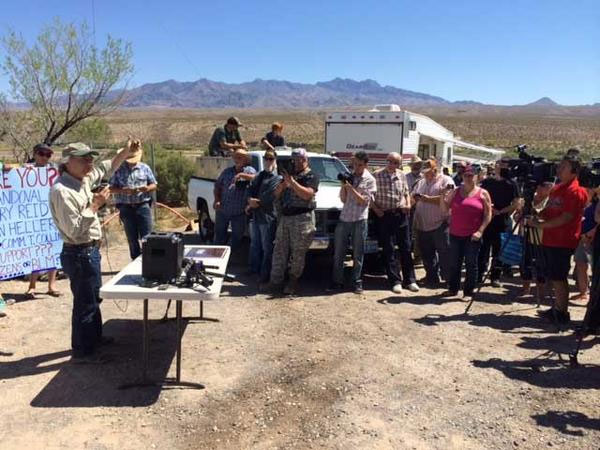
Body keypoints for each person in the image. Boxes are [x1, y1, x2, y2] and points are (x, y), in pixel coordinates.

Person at [49, 141, 133, 363]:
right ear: (67, 163)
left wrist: (125, 151)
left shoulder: (82, 180)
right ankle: (84, 351)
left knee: (93, 299)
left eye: (90, 159)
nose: (89, 163)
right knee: (85, 304)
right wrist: (95, 205)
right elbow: (73, 230)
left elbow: (107, 167)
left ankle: (94, 340)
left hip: (88, 252)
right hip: (78, 252)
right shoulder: (62, 191)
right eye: (84, 159)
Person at [528, 154, 588, 326]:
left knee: (559, 277)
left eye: (564, 167)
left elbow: (567, 217)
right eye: (559, 166)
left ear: (574, 171)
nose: (559, 170)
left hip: (563, 241)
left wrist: (541, 226)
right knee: (553, 276)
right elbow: (548, 210)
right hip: (550, 239)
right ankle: (556, 308)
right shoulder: (557, 188)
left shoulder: (576, 191)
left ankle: (562, 312)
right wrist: (536, 213)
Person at [269, 148, 319, 295]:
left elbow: (308, 195)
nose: (297, 162)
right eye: (294, 160)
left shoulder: (312, 176)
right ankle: (275, 282)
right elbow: (276, 194)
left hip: (302, 219)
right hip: (285, 217)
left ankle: (293, 282)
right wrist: (284, 184)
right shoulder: (289, 176)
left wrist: (293, 183)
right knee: (279, 250)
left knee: (298, 252)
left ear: (306, 160)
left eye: (300, 160)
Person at [441, 164, 492, 299]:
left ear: (476, 176)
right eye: (465, 175)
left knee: (471, 264)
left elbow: (488, 214)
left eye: (471, 175)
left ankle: (468, 292)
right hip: (455, 233)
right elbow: (445, 208)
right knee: (454, 263)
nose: (468, 178)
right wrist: (442, 196)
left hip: (472, 235)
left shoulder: (483, 193)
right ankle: (453, 289)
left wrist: (480, 231)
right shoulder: (456, 191)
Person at [371, 152, 419, 294]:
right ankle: (395, 281)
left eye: (396, 162)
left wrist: (408, 204)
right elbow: (369, 195)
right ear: (386, 161)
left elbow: (406, 193)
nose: (392, 165)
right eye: (390, 161)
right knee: (389, 248)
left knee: (406, 247)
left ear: (399, 164)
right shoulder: (376, 175)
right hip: (384, 215)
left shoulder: (402, 175)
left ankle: (410, 280)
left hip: (401, 214)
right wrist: (376, 209)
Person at [330, 151, 377, 294]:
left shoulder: (370, 179)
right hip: (345, 218)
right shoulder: (349, 176)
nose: (356, 167)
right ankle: (337, 281)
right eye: (354, 164)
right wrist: (344, 186)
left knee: (358, 253)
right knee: (339, 252)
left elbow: (364, 201)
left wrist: (352, 189)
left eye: (359, 165)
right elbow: (343, 199)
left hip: (359, 219)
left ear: (366, 165)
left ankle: (356, 281)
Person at [24, 143, 61, 298]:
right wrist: (25, 171)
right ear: (34, 153)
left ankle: (52, 286)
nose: (44, 157)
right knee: (35, 251)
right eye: (41, 153)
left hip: (52, 214)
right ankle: (32, 285)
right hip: (34, 216)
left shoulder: (55, 171)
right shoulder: (25, 170)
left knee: (53, 249)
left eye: (48, 154)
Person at [109, 143, 158, 260]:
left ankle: (149, 262)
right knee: (132, 238)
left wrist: (147, 188)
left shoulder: (145, 168)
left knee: (148, 236)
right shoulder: (118, 170)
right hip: (126, 208)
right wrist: (122, 190)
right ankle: (135, 261)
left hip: (143, 205)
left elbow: (154, 184)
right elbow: (110, 188)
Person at [477, 158, 521, 287]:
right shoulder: (487, 182)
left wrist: (501, 211)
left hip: (502, 221)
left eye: (503, 165)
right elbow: (480, 197)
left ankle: (495, 277)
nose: (500, 167)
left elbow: (517, 202)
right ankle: (479, 275)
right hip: (487, 219)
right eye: (499, 165)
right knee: (483, 249)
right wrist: (490, 208)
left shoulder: (512, 184)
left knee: (499, 251)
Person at [412, 159, 455, 286]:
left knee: (445, 252)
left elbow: (448, 199)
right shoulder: (421, 182)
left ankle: (448, 279)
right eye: (424, 172)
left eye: (427, 172)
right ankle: (431, 277)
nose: (425, 174)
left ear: (435, 170)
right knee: (427, 252)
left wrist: (428, 199)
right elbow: (413, 196)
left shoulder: (446, 181)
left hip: (440, 222)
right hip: (423, 224)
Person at [246, 150, 281, 286]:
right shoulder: (259, 175)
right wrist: (249, 199)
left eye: (271, 159)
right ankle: (254, 269)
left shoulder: (277, 178)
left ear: (275, 161)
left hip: (268, 217)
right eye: (266, 158)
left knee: (267, 248)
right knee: (255, 244)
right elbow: (250, 188)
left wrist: (256, 202)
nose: (268, 161)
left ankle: (264, 274)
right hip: (256, 216)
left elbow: (270, 195)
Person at [213, 150, 256, 252]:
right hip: (223, 209)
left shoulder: (249, 170)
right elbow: (217, 186)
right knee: (219, 235)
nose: (237, 159)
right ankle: (216, 256)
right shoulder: (227, 171)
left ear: (246, 159)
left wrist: (242, 175)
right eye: (236, 157)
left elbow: (256, 178)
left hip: (239, 212)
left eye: (240, 157)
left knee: (237, 236)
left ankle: (230, 256)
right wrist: (217, 200)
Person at [517, 182, 552, 303]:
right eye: (539, 186)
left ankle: (540, 294)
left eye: (544, 186)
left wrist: (535, 218)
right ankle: (525, 290)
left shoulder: (550, 201)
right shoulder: (529, 199)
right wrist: (520, 215)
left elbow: (548, 218)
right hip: (527, 236)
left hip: (543, 238)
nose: (539, 188)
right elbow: (519, 215)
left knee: (541, 265)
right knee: (525, 262)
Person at [572, 188, 598, 302]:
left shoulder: (597, 205)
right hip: (582, 238)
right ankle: (583, 292)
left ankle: (594, 296)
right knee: (580, 264)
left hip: (593, 238)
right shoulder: (586, 204)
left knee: (595, 268)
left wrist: (590, 234)